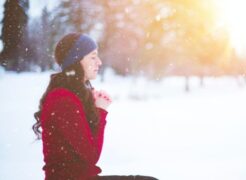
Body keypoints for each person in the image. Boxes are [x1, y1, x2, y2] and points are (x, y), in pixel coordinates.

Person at [33, 33, 158, 180]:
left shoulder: (73, 95)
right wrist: (101, 111)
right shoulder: (63, 99)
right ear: (76, 60)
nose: (99, 62)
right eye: (93, 57)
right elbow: (90, 155)